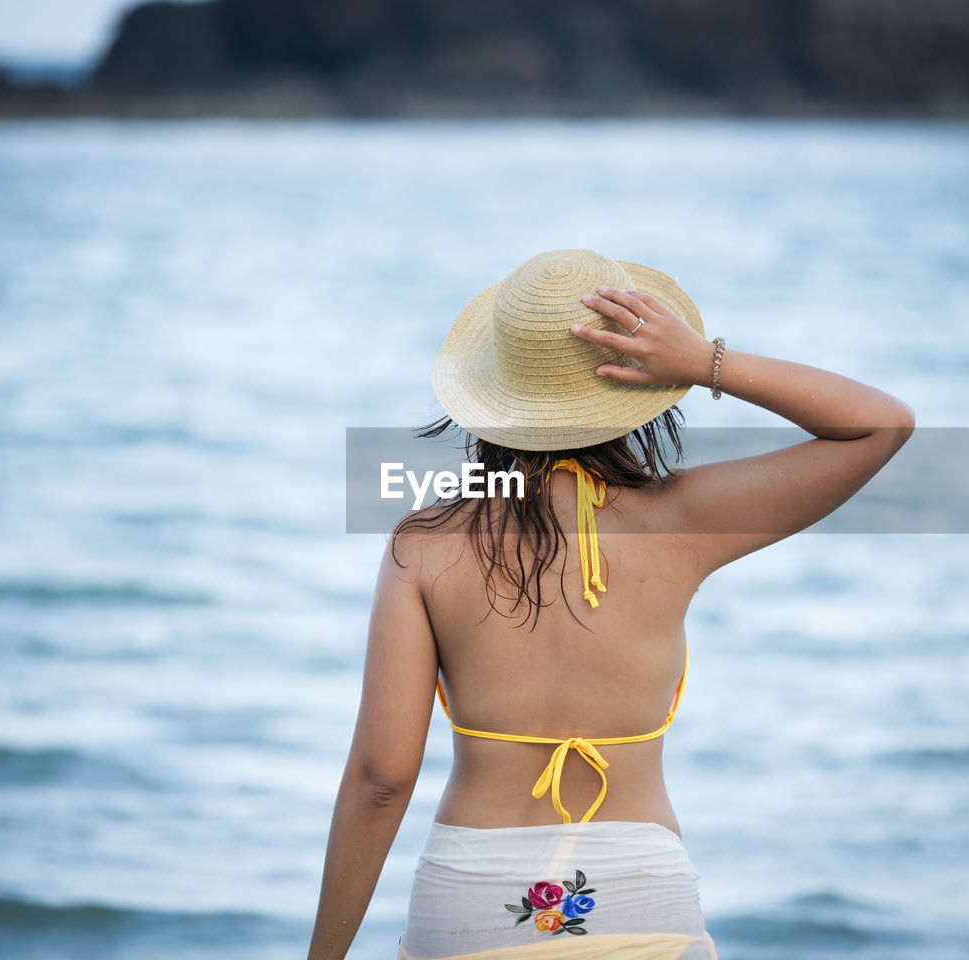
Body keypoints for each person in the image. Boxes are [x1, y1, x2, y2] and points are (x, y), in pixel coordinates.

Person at [306, 249, 915, 960]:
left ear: (492, 394)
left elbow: (382, 780)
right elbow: (882, 425)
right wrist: (704, 363)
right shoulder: (682, 520)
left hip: (470, 897)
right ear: (632, 385)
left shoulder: (428, 542)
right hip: (640, 896)